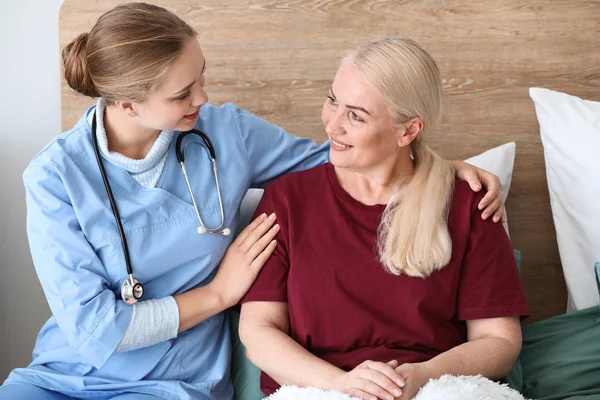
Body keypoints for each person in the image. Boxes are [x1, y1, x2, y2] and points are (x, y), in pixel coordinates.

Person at [0, 3, 505, 400]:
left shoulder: (226, 132)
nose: (202, 98)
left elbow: (340, 159)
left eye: (202, 76)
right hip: (64, 374)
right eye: (183, 93)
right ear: (127, 103)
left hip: (175, 382)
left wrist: (442, 167)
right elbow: (95, 330)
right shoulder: (55, 177)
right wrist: (220, 294)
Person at [239, 37, 529, 400]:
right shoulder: (287, 199)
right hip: (318, 388)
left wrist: (424, 375)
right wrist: (341, 384)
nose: (333, 125)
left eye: (356, 115)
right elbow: (259, 332)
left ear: (408, 131)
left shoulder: (469, 203)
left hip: (437, 387)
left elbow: (499, 341)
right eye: (332, 101)